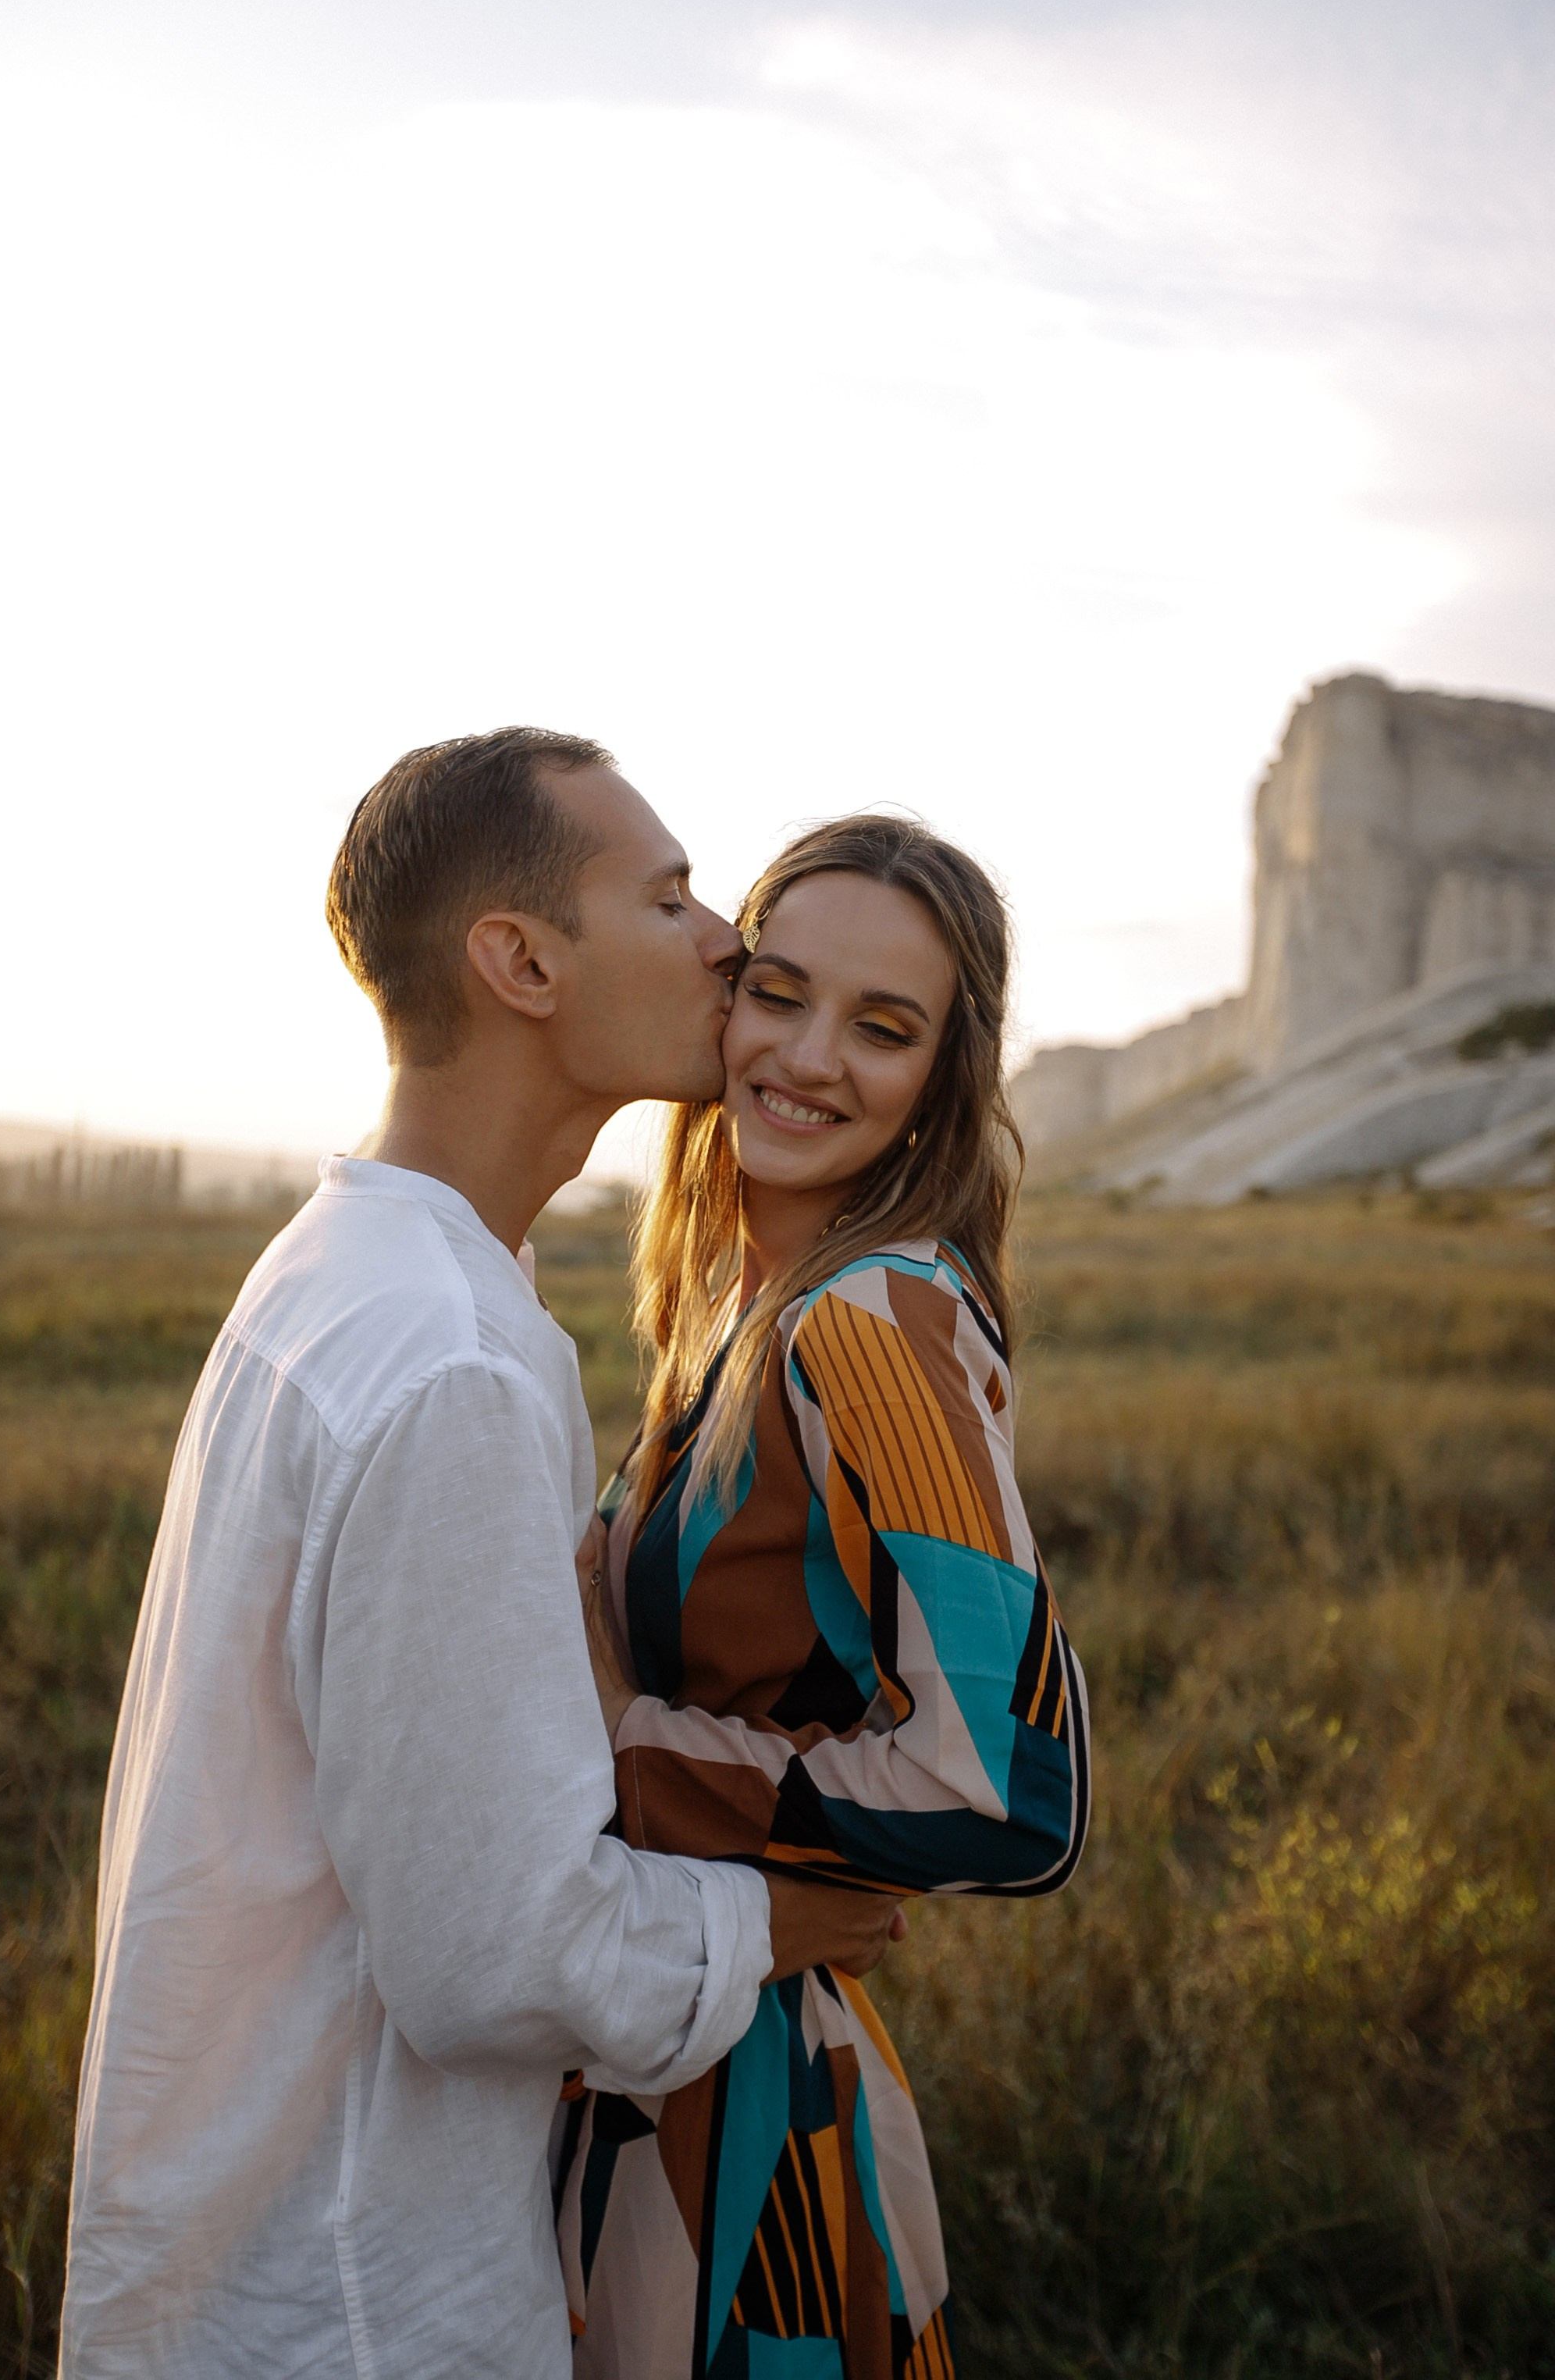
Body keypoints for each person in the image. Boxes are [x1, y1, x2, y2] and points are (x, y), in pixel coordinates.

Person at [59, 730, 905, 2380]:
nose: (725, 935)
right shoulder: (442, 1354)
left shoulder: (349, 1270)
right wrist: (785, 1923)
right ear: (520, 962)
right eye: (664, 899)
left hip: (258, 2256)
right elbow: (490, 1961)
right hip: (347, 2302)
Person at [560, 815, 1091, 2379]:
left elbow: (1011, 1788)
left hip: (748, 2138)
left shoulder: (876, 1319)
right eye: (776, 991)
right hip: (670, 2050)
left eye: (882, 1027)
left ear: (944, 1072)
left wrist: (624, 1754)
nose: (803, 1056)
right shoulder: (741, 1295)